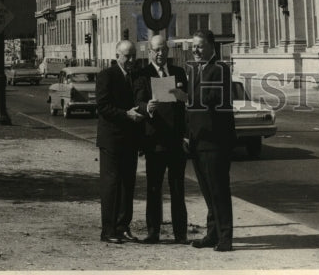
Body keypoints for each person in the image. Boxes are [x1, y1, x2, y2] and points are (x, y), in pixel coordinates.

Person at [133, 34, 189, 244]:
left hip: (175, 142)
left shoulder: (178, 72)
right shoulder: (142, 75)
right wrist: (147, 107)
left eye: (163, 49)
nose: (160, 53)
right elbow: (137, 100)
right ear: (149, 52)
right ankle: (153, 232)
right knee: (154, 188)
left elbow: (185, 106)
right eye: (156, 50)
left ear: (168, 51)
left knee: (177, 188)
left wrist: (186, 136)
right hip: (155, 141)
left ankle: (180, 233)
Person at [187, 29, 236, 253]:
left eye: (199, 46)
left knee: (219, 191)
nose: (195, 50)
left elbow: (211, 99)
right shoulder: (198, 70)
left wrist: (185, 97)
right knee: (208, 191)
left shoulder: (220, 69)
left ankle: (225, 237)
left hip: (216, 142)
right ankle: (213, 233)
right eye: (193, 46)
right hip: (199, 141)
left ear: (211, 47)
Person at [95, 39, 144, 244]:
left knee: (128, 184)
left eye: (133, 55)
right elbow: (103, 106)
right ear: (117, 56)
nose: (131, 59)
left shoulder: (136, 76)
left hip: (130, 140)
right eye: (127, 56)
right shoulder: (107, 75)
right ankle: (108, 230)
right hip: (112, 140)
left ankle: (123, 226)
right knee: (111, 184)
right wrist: (127, 114)